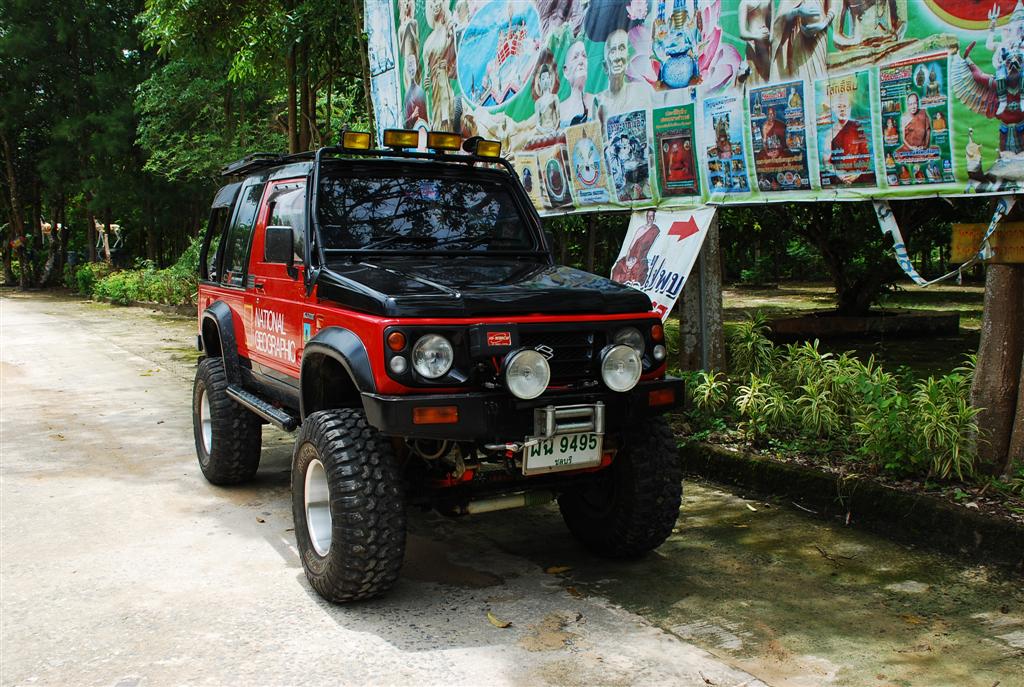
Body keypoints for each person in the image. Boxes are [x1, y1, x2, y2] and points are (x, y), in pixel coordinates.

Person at [597, 28, 652, 124]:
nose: (618, 57)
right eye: (612, 51)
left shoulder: (641, 91)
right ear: (605, 66)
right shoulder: (599, 100)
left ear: (627, 59)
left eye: (622, 49)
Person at [422, 0, 457, 131]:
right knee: (437, 121)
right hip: (434, 87)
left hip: (445, 81)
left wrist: (448, 64)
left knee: (447, 116)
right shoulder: (428, 41)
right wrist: (426, 81)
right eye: (432, 4)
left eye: (438, 2)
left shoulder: (447, 30)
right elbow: (426, 70)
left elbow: (455, 52)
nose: (435, 6)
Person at [611, 209, 660, 285]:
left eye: (652, 216)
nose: (650, 218)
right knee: (619, 274)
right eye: (648, 216)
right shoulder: (642, 229)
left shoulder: (656, 230)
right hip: (632, 258)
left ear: (654, 217)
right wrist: (627, 261)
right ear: (646, 217)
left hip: (642, 260)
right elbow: (630, 247)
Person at [559, 40, 595, 127]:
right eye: (575, 57)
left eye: (584, 55)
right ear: (566, 71)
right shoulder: (560, 110)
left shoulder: (596, 101)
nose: (581, 61)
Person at [738, 0, 772, 84]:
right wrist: (757, 36)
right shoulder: (744, 3)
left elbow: (771, 23)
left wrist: (771, 36)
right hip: (753, 46)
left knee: (769, 76)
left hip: (767, 44)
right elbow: (742, 33)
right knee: (755, 79)